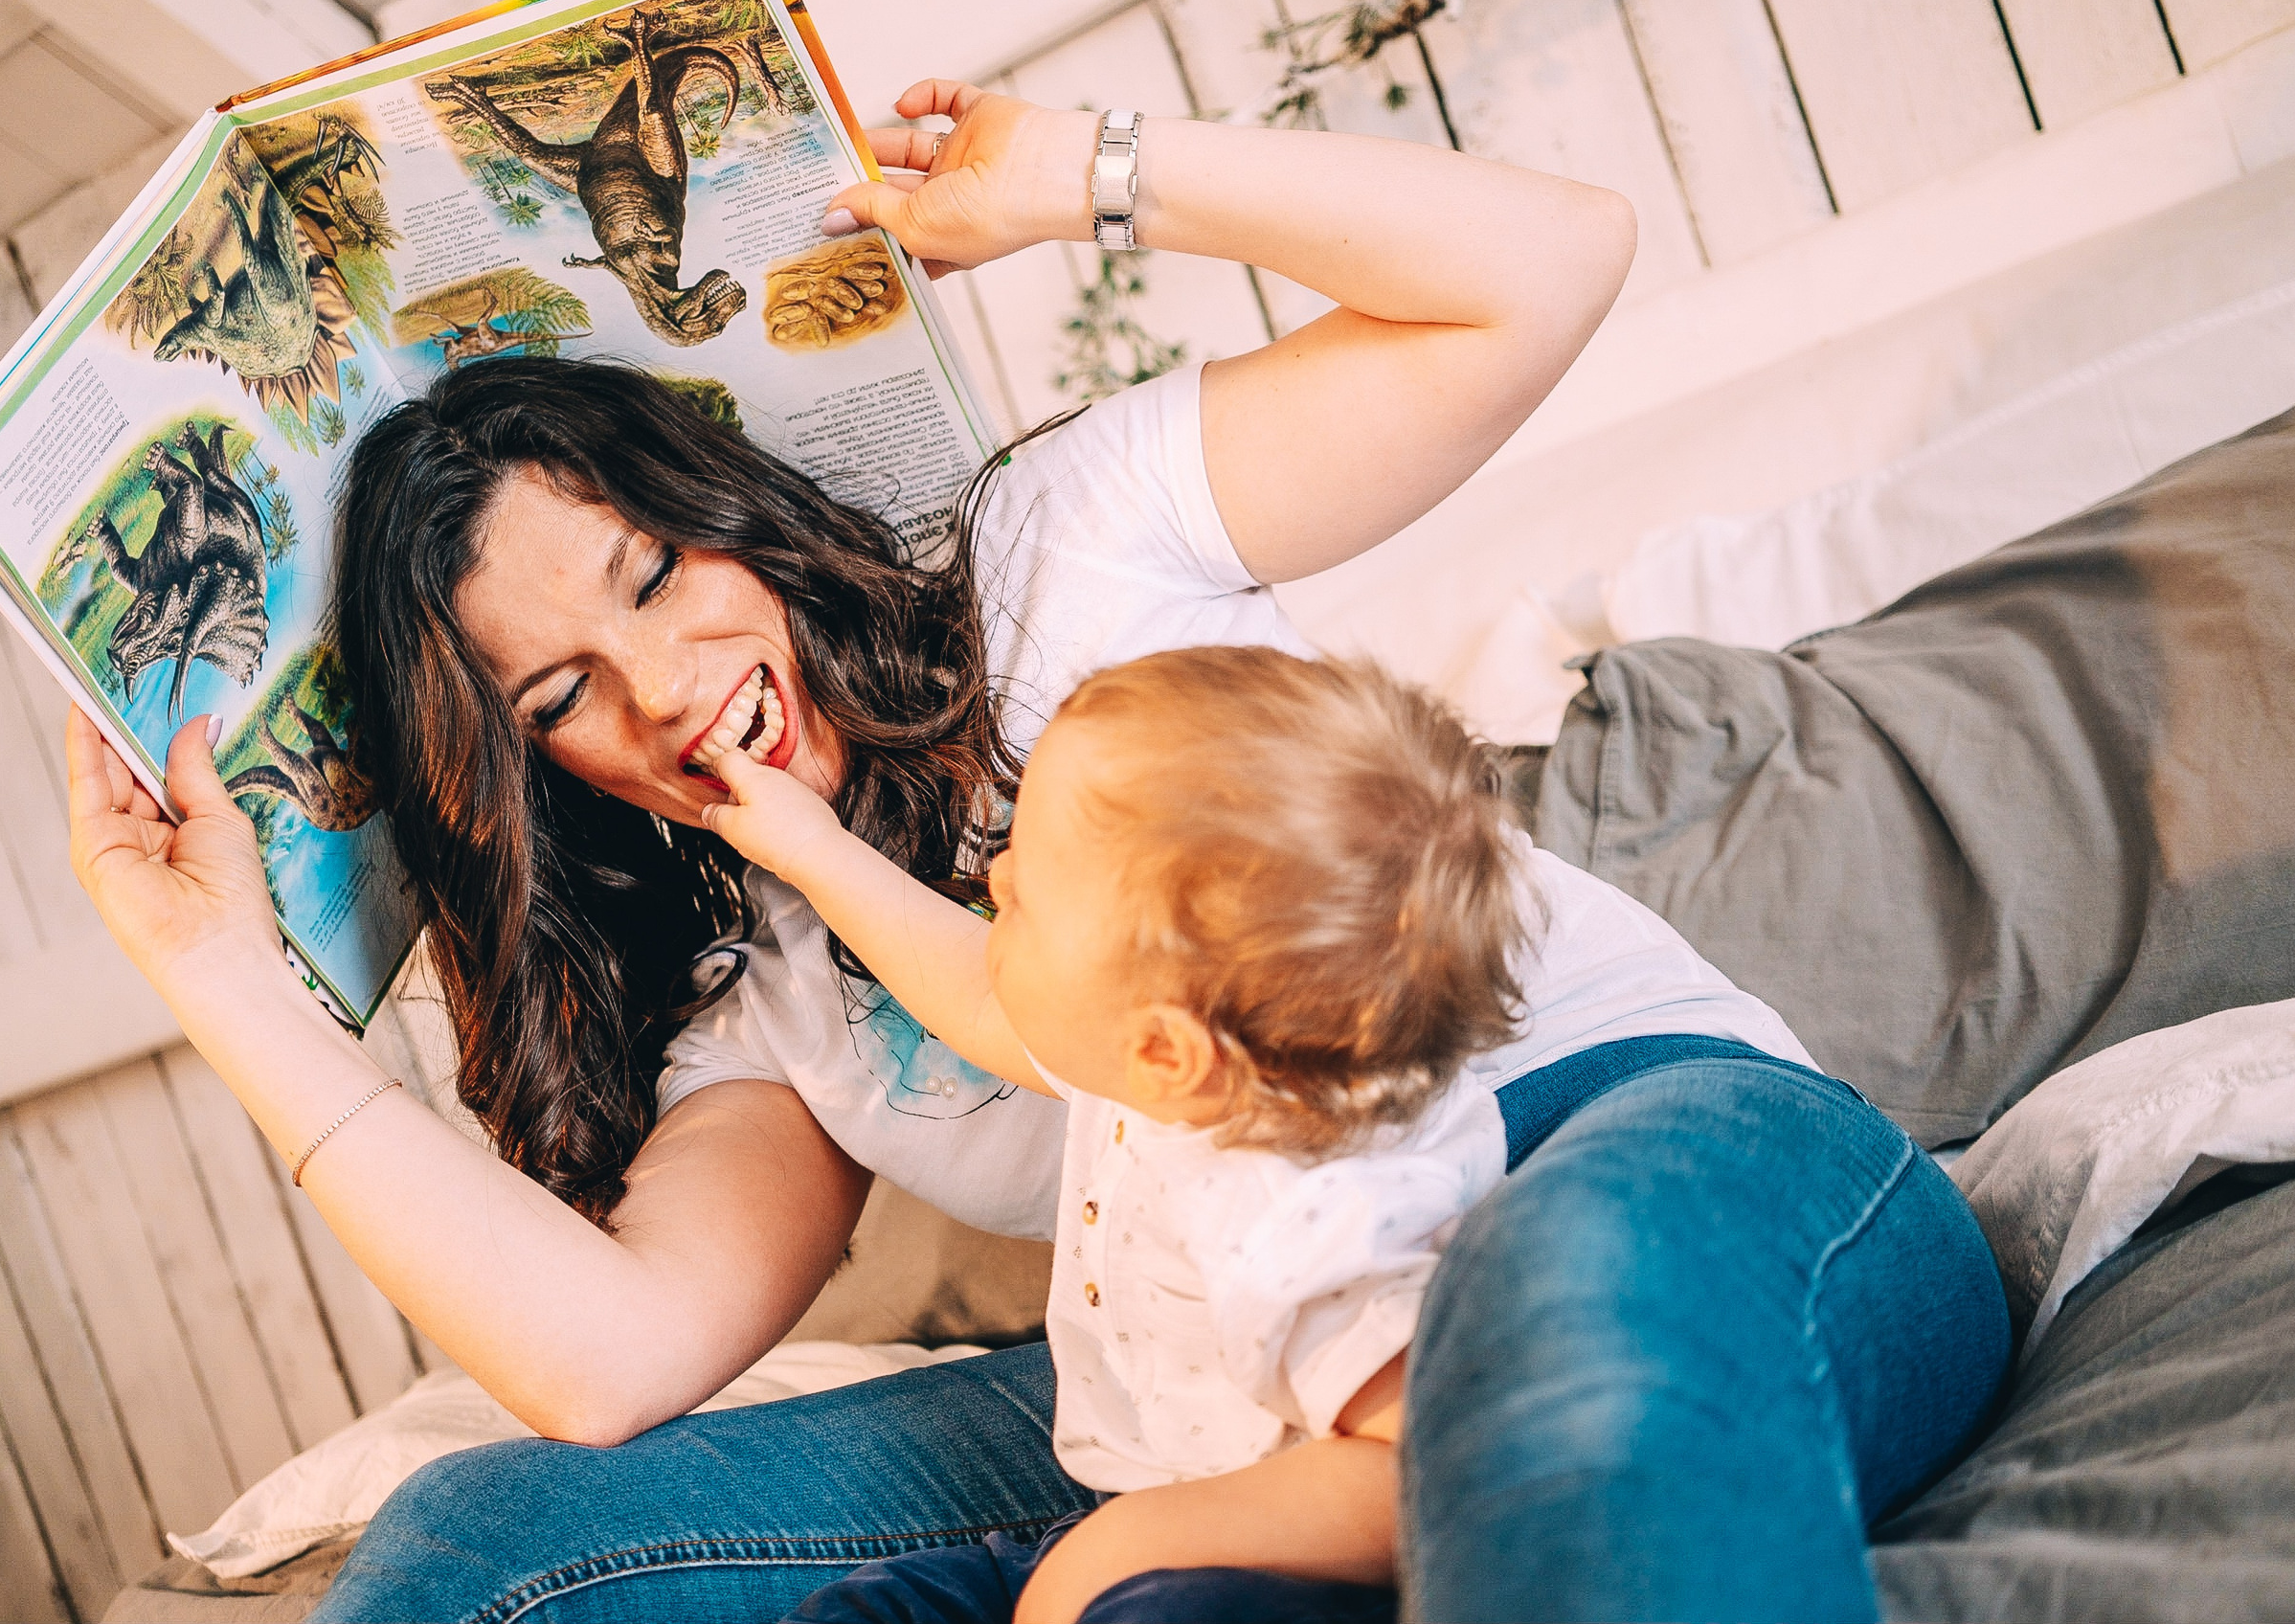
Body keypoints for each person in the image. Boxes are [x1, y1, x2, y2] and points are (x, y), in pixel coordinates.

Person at [65, 78, 2007, 1623]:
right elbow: (601, 1362)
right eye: (557, 695)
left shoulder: (1052, 550)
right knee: (481, 1551)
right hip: (1215, 1386)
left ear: (721, 509)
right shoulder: (771, 988)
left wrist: (1082, 173)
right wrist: (220, 982)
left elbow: (1547, 261)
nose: (657, 688)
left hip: (1607, 1152)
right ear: (525, 772)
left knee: (1558, 1332)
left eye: (654, 575)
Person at [704, 644, 1853, 1624]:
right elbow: (979, 996)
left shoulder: (1305, 1209)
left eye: (1028, 889)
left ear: (1161, 1047)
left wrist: (1114, 1558)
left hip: (1258, 1570)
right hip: (1150, 1504)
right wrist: (806, 845)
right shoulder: (1195, 1051)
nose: (992, 875)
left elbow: (1431, 1462)